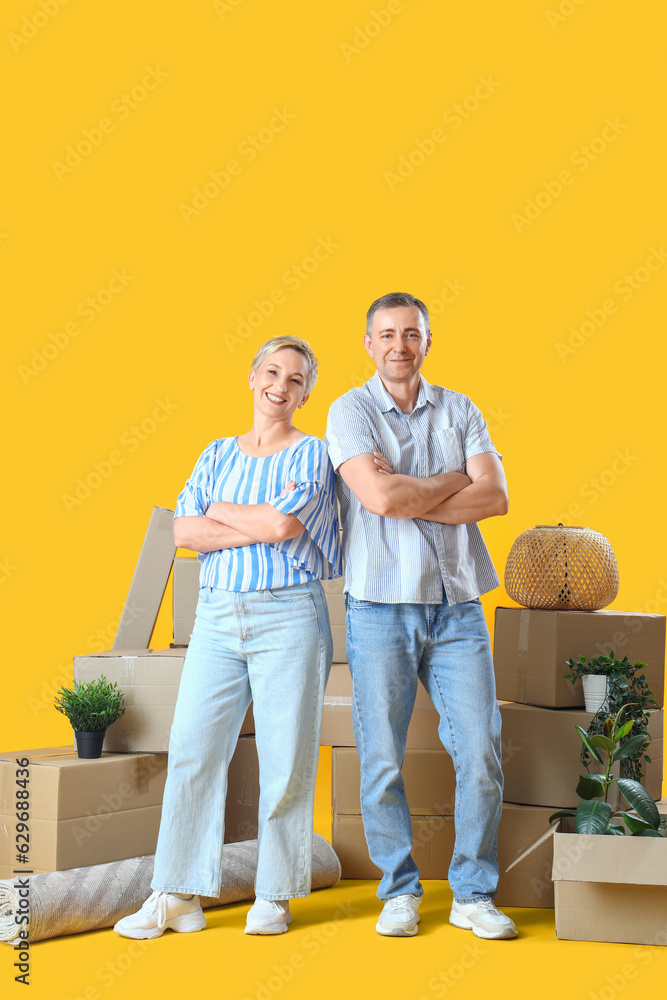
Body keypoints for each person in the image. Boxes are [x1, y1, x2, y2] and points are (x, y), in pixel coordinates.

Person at [115, 335, 341, 940]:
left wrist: (224, 511)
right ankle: (176, 895)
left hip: (289, 615)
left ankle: (274, 894)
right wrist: (252, 522)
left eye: (295, 379)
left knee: (285, 758)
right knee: (193, 750)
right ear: (252, 377)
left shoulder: (314, 454)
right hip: (214, 618)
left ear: (306, 393)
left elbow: (284, 523)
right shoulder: (215, 451)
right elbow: (184, 534)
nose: (281, 386)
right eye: (273, 372)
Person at [325, 293, 516, 940]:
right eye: (386, 334)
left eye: (411, 334)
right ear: (368, 344)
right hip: (379, 605)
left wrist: (412, 492)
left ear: (428, 342)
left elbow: (494, 497)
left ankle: (472, 893)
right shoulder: (348, 410)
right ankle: (398, 890)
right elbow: (377, 497)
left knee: (483, 752)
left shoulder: (460, 407)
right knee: (380, 757)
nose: (399, 345)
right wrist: (447, 479)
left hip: (458, 604)